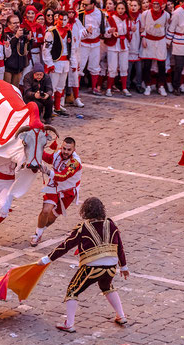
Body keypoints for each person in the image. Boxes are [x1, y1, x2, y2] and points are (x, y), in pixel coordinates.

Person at [37, 197, 129, 332]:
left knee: (73, 290)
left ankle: (69, 323)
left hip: (92, 266)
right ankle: (121, 315)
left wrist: (47, 259)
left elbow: (66, 246)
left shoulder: (83, 228)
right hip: (111, 267)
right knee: (106, 286)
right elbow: (119, 246)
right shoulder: (111, 224)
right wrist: (124, 267)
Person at [31, 136, 82, 246]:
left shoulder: (75, 163)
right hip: (54, 186)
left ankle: (40, 229)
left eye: (69, 150)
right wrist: (36, 146)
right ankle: (37, 235)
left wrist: (48, 172)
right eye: (64, 148)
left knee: (52, 217)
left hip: (68, 191)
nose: (65, 152)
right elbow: (48, 158)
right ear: (61, 147)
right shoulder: (57, 154)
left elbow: (63, 176)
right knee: (46, 210)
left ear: (74, 150)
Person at [43, 10, 73, 115]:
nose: (63, 22)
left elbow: (71, 48)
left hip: (65, 62)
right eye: (61, 19)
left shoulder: (69, 31)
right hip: (56, 62)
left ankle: (57, 106)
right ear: (57, 19)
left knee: (61, 86)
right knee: (53, 86)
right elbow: (46, 50)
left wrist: (72, 61)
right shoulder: (51, 32)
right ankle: (49, 108)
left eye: (65, 20)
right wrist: (49, 63)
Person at [78, 0, 105, 95]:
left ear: (93, 4)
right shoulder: (80, 14)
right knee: (80, 66)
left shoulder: (100, 13)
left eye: (86, 5)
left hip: (96, 44)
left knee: (95, 66)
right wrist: (85, 31)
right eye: (83, 4)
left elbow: (104, 27)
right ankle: (75, 90)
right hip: (83, 44)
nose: (84, 6)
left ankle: (94, 87)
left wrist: (109, 31)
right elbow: (76, 30)